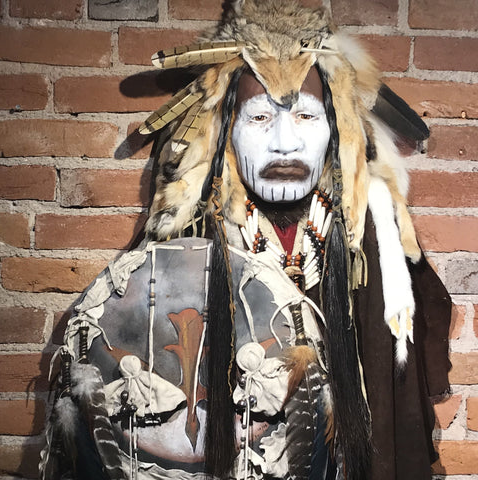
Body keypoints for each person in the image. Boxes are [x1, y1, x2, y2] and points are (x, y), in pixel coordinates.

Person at [40, 1, 452, 479]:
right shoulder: (190, 241)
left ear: (337, 127)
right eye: (259, 118)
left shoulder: (369, 238)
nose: (285, 143)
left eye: (306, 116)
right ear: (226, 130)